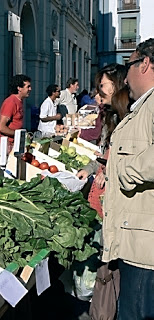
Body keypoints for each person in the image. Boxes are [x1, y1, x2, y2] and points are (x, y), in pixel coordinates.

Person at [101, 38, 154, 319]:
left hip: (146, 251)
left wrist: (123, 172)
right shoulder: (142, 108)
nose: (127, 75)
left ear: (145, 63)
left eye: (129, 64)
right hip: (137, 242)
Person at [77, 63, 128, 217]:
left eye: (102, 85)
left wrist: (109, 171)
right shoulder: (110, 116)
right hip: (103, 196)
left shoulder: (127, 118)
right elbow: (104, 155)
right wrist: (89, 169)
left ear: (116, 85)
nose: (99, 91)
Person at [0, 74, 31, 154]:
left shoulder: (19, 101)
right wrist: (19, 134)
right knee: (6, 165)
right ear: (19, 88)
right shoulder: (11, 102)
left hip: (14, 141)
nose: (30, 89)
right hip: (6, 143)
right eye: (28, 86)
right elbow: (1, 127)